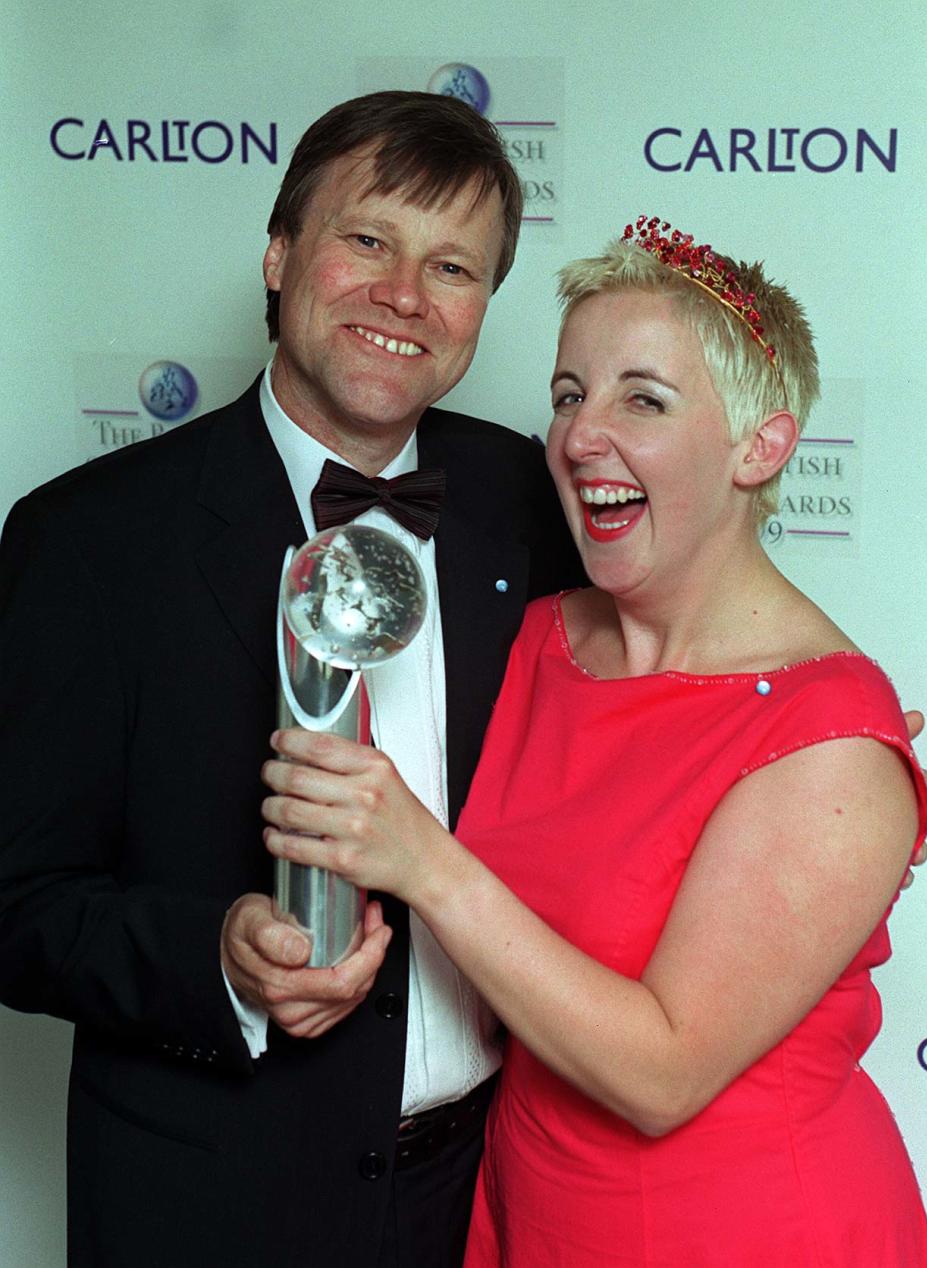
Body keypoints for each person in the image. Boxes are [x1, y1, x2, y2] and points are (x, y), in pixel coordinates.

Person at [259, 215, 927, 1265]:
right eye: (570, 395)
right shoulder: (537, 635)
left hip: (747, 1229)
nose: (581, 436)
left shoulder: (829, 739)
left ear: (763, 445)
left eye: (643, 399)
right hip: (532, 1206)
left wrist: (421, 859)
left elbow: (663, 1071)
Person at [0, 92, 581, 1268]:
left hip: (483, 1196)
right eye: (368, 239)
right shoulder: (88, 540)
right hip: (206, 1205)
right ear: (279, 255)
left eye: (453, 265)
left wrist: (795, 751)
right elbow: (15, 903)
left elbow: (642, 691)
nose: (406, 294)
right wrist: (211, 954)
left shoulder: (525, 497)